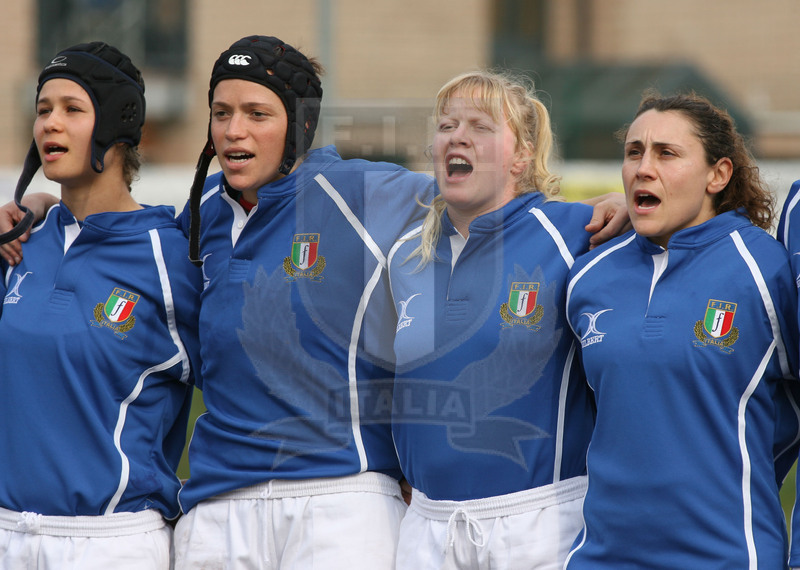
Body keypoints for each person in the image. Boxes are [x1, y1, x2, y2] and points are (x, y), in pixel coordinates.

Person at [0, 36, 628, 569]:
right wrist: (46, 209)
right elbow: (115, 227)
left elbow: (488, 203)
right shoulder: (194, 222)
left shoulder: (363, 193)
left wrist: (610, 210)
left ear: (298, 126)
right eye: (221, 113)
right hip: (216, 509)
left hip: (341, 499)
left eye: (256, 113)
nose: (233, 130)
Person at [564, 91, 800, 569]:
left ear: (719, 174)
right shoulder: (587, 277)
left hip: (727, 555)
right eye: (634, 152)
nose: (642, 168)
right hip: (603, 557)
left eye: (666, 154)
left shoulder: (764, 270)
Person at [0, 42, 201, 569]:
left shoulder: (172, 257)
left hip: (112, 543)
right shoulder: (19, 245)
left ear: (115, 123)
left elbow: (241, 390)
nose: (49, 124)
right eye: (43, 110)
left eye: (72, 109)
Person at [386, 70, 598, 569]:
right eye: (446, 125)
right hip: (426, 526)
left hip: (538, 526)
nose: (457, 136)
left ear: (521, 157)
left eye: (480, 127)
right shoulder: (404, 257)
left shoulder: (576, 236)